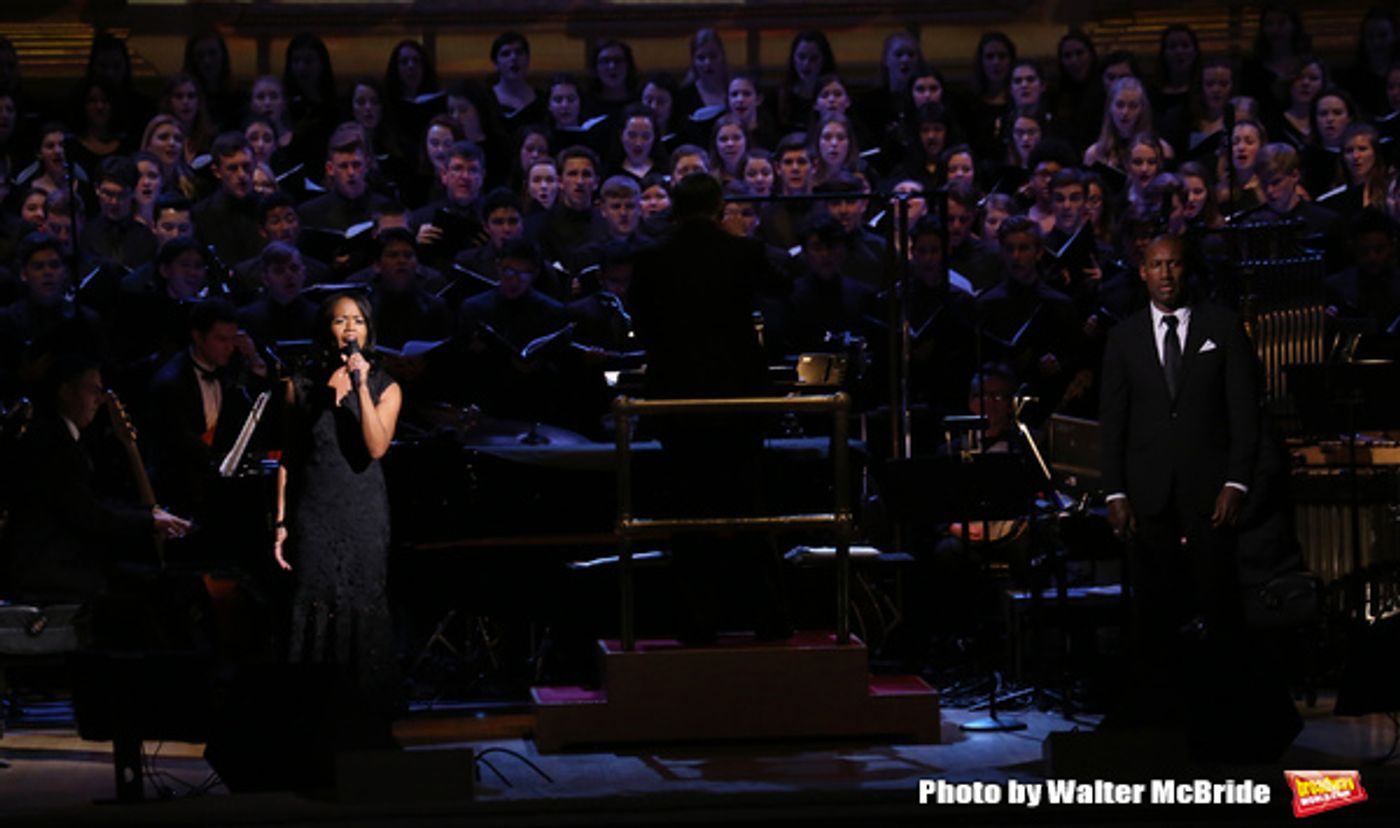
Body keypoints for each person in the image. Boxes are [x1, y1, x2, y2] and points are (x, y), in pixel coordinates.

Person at [1099, 234, 1268, 755]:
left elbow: (1245, 414)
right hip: (1147, 495)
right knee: (1152, 613)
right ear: (1143, 272)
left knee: (1220, 607)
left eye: (1173, 264)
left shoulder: (1221, 326)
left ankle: (1228, 724)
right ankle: (1156, 720)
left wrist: (1236, 482)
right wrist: (1115, 492)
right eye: (1156, 265)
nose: (1166, 274)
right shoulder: (1124, 337)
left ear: (1185, 269)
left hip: (1210, 493)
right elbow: (1114, 424)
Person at [628, 172, 788, 644]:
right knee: (751, 512)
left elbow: (639, 318)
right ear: (720, 207)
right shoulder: (743, 251)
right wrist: (743, 238)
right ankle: (769, 620)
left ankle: (696, 624)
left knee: (689, 515)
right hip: (738, 400)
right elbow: (781, 287)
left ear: (674, 209)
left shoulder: (653, 258)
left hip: (679, 401)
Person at [274, 291, 402, 709]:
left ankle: (365, 712)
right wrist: (281, 523)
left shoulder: (387, 386)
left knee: (361, 602)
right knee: (315, 601)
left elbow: (377, 446)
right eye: (340, 320)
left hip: (363, 510)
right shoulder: (300, 387)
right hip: (315, 511)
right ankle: (313, 711)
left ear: (369, 330)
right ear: (326, 330)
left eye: (358, 320)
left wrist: (360, 386)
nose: (350, 328)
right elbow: (289, 458)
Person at [0, 356, 190, 606]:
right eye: (93, 390)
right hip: (48, 565)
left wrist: (147, 514)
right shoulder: (53, 443)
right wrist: (147, 520)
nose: (98, 400)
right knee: (151, 590)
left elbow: (90, 502)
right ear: (66, 391)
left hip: (60, 553)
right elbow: (87, 513)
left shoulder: (64, 436)